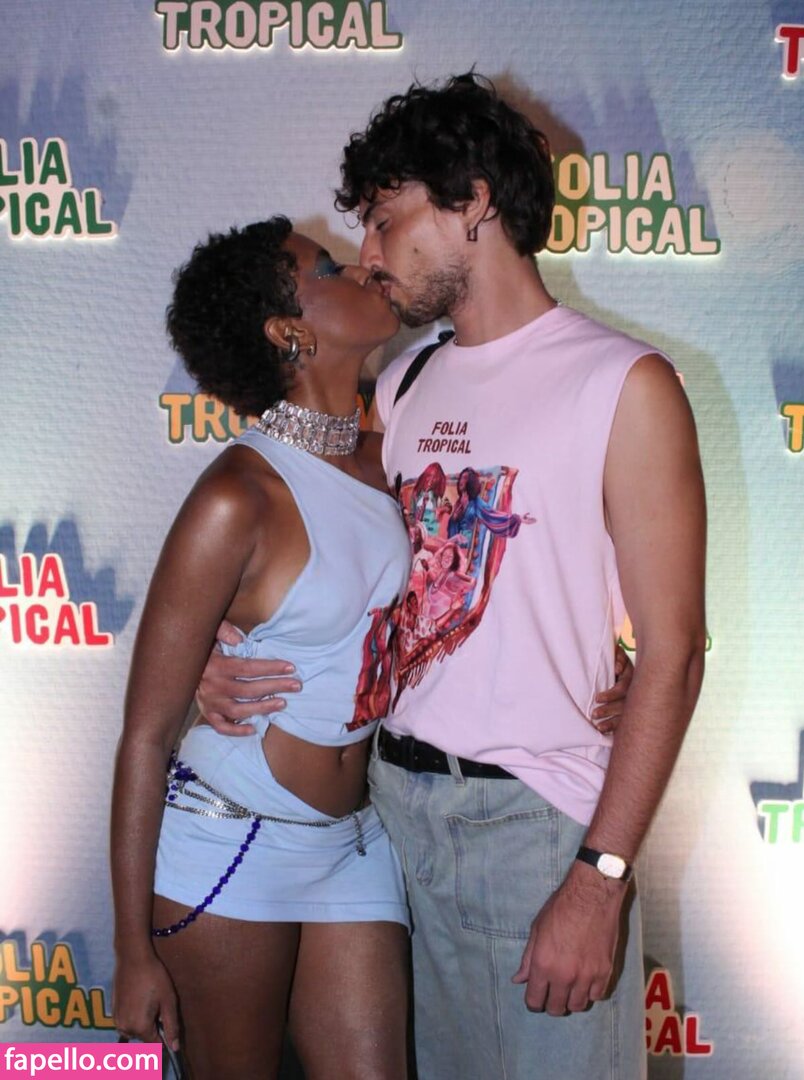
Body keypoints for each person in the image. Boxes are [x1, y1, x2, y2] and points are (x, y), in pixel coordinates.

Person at [198, 74, 706, 1080]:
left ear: (473, 201)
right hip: (388, 820)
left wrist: (599, 879)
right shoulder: (405, 380)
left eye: (387, 221)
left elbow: (676, 651)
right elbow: (312, 537)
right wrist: (224, 643)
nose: (370, 256)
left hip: (535, 832)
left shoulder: (624, 384)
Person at [110, 217, 414, 1080]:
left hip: (354, 841)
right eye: (328, 269)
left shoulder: (391, 458)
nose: (361, 270)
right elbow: (145, 735)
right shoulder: (236, 497)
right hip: (227, 841)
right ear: (290, 332)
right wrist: (131, 950)